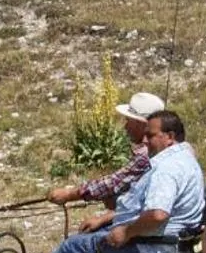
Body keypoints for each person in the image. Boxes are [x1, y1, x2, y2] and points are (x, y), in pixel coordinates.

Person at [0, 110, 204, 253]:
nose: (145, 141)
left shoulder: (166, 168)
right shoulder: (187, 161)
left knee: (71, 249)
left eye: (150, 135)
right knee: (95, 241)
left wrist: (126, 232)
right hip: (169, 248)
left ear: (170, 137)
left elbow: (158, 214)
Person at [44, 90, 168, 237]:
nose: (125, 126)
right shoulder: (164, 151)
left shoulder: (146, 155)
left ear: (142, 124)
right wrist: (104, 217)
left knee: (71, 247)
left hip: (144, 233)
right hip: (138, 221)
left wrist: (69, 194)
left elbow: (112, 183)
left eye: (129, 121)